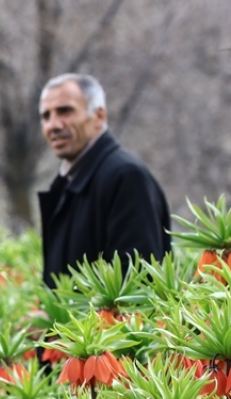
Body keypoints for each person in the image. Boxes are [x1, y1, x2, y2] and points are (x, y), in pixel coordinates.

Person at [36, 73, 171, 288]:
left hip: (107, 323)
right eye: (46, 116)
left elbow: (139, 282)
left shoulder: (125, 177)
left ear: (99, 116)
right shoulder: (68, 183)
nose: (53, 124)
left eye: (65, 111)